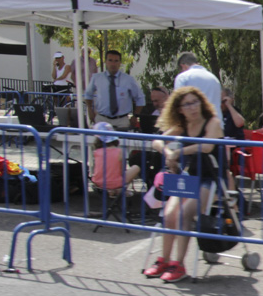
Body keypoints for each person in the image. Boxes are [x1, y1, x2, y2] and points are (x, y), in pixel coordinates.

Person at [142, 87, 225, 283]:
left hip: (212, 178)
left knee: (184, 214)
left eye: (195, 102)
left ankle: (179, 264)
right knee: (169, 214)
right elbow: (157, 141)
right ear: (179, 109)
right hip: (190, 177)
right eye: (187, 104)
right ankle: (165, 260)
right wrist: (167, 152)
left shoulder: (212, 122)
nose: (192, 107)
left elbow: (206, 146)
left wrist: (178, 152)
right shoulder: (182, 125)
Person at [83, 50, 145, 132]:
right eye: (110, 60)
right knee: (100, 144)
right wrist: (90, 110)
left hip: (121, 120)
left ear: (120, 63)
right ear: (105, 61)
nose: (113, 64)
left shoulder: (128, 79)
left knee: (121, 143)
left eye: (116, 61)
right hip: (102, 118)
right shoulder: (97, 78)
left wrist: (135, 116)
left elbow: (140, 98)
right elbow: (88, 95)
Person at [89, 122, 140, 191]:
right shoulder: (120, 151)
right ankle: (119, 191)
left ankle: (113, 192)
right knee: (136, 167)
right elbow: (122, 171)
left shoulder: (96, 152)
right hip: (116, 183)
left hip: (98, 182)